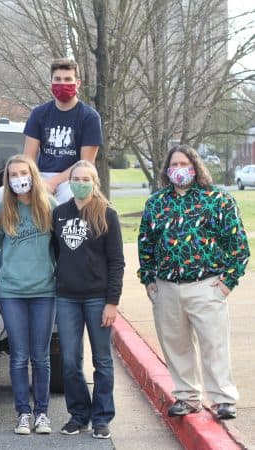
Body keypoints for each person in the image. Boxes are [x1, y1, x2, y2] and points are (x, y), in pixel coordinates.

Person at [137, 145, 249, 421]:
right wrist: (150, 280)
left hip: (206, 285)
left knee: (214, 343)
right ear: (166, 170)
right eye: (174, 164)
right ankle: (187, 397)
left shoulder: (217, 200)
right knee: (176, 344)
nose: (179, 169)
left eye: (185, 163)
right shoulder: (157, 203)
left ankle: (223, 399)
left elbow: (238, 246)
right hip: (166, 287)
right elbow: (146, 246)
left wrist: (228, 282)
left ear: (196, 167)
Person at [52, 160, 124, 440]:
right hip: (67, 298)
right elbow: (56, 252)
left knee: (103, 361)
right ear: (69, 182)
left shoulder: (107, 214)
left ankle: (102, 417)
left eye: (86, 178)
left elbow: (117, 262)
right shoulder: (59, 213)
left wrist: (112, 302)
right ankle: (79, 415)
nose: (80, 183)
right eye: (76, 178)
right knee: (70, 361)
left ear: (95, 182)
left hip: (98, 299)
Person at [0, 154, 56, 435]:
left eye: (23, 173)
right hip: (12, 292)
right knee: (18, 356)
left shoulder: (49, 207)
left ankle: (42, 413)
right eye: (13, 174)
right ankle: (23, 414)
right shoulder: (2, 211)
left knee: (41, 357)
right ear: (8, 179)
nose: (19, 179)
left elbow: (59, 247)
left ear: (33, 175)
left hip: (44, 291)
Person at [23, 57, 102, 203]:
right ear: (51, 83)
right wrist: (39, 181)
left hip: (74, 177)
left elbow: (86, 163)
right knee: (1, 195)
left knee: (69, 197)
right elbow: (28, 158)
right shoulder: (38, 114)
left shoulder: (90, 117)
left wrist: (54, 182)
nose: (62, 84)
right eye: (57, 79)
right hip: (40, 175)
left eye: (67, 79)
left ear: (77, 83)